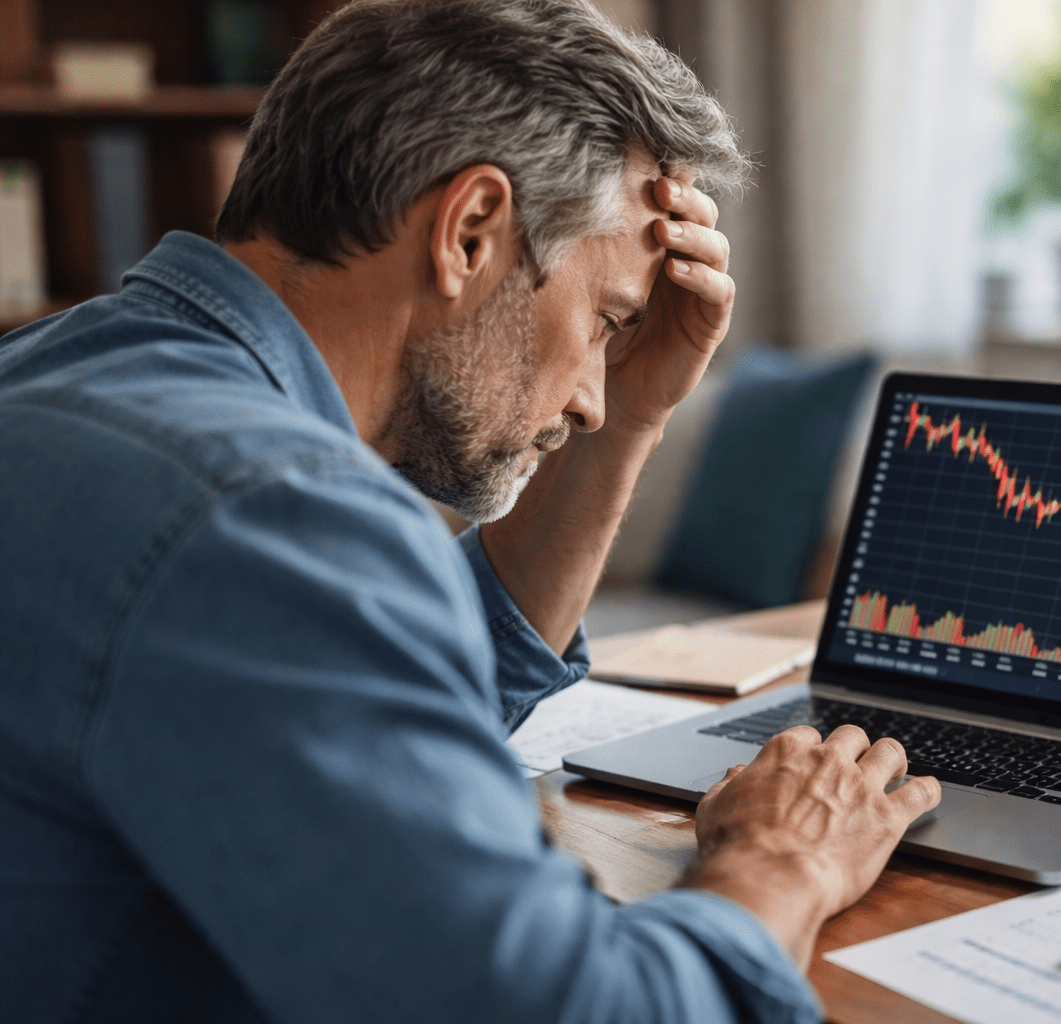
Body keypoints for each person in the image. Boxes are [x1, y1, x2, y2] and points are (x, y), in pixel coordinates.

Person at [0, 1, 940, 1021]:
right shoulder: (267, 513)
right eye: (607, 320)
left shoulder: (57, 370)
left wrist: (630, 419)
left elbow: (375, 708)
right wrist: (786, 860)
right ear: (470, 231)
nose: (590, 399)